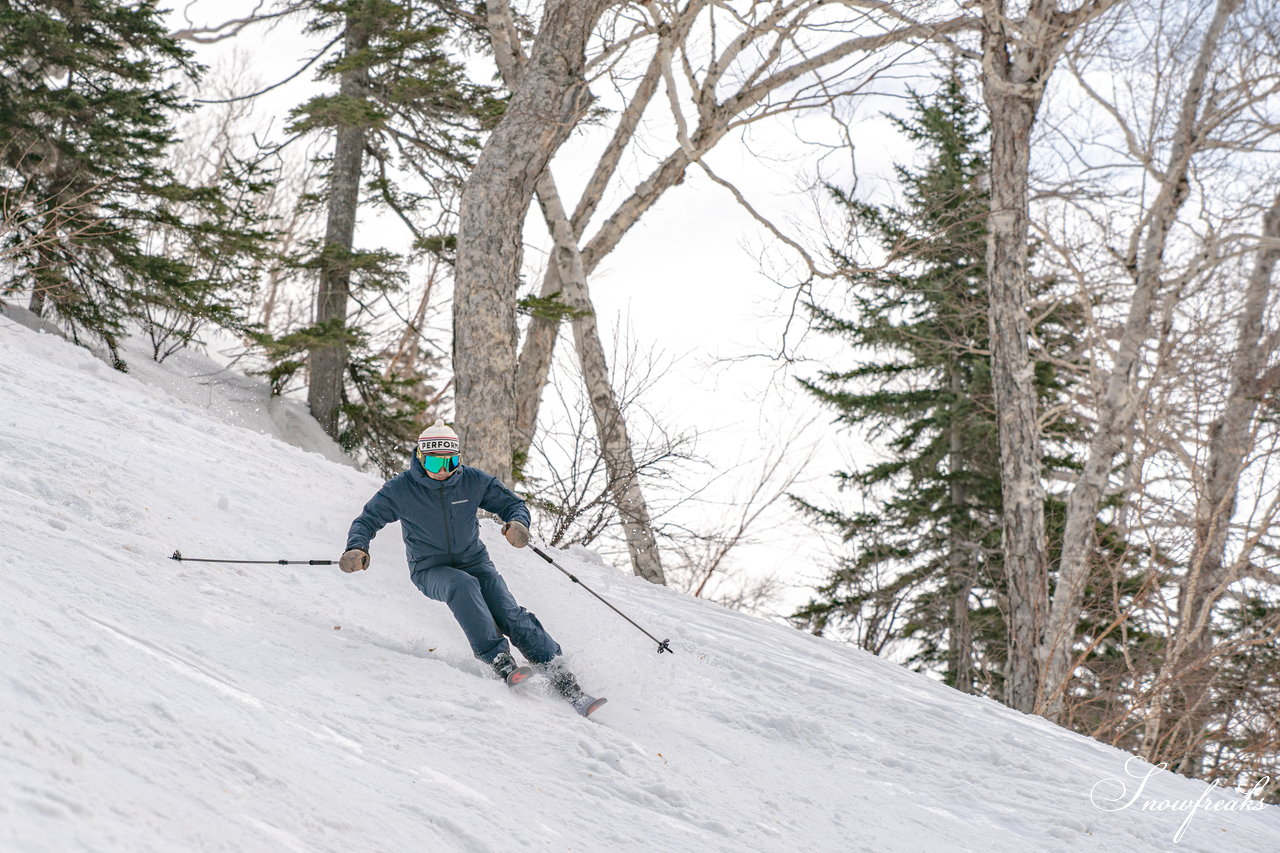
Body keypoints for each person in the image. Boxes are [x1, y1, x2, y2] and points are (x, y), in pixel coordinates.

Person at [339, 418, 592, 708]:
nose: (444, 471)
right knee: (462, 584)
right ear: (421, 459)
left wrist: (518, 525)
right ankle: (498, 658)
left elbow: (514, 504)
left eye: (451, 462)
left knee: (509, 613)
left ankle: (561, 676)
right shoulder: (401, 489)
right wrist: (356, 548)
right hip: (429, 569)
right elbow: (367, 520)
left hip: (476, 562)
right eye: (435, 465)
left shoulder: (473, 481)